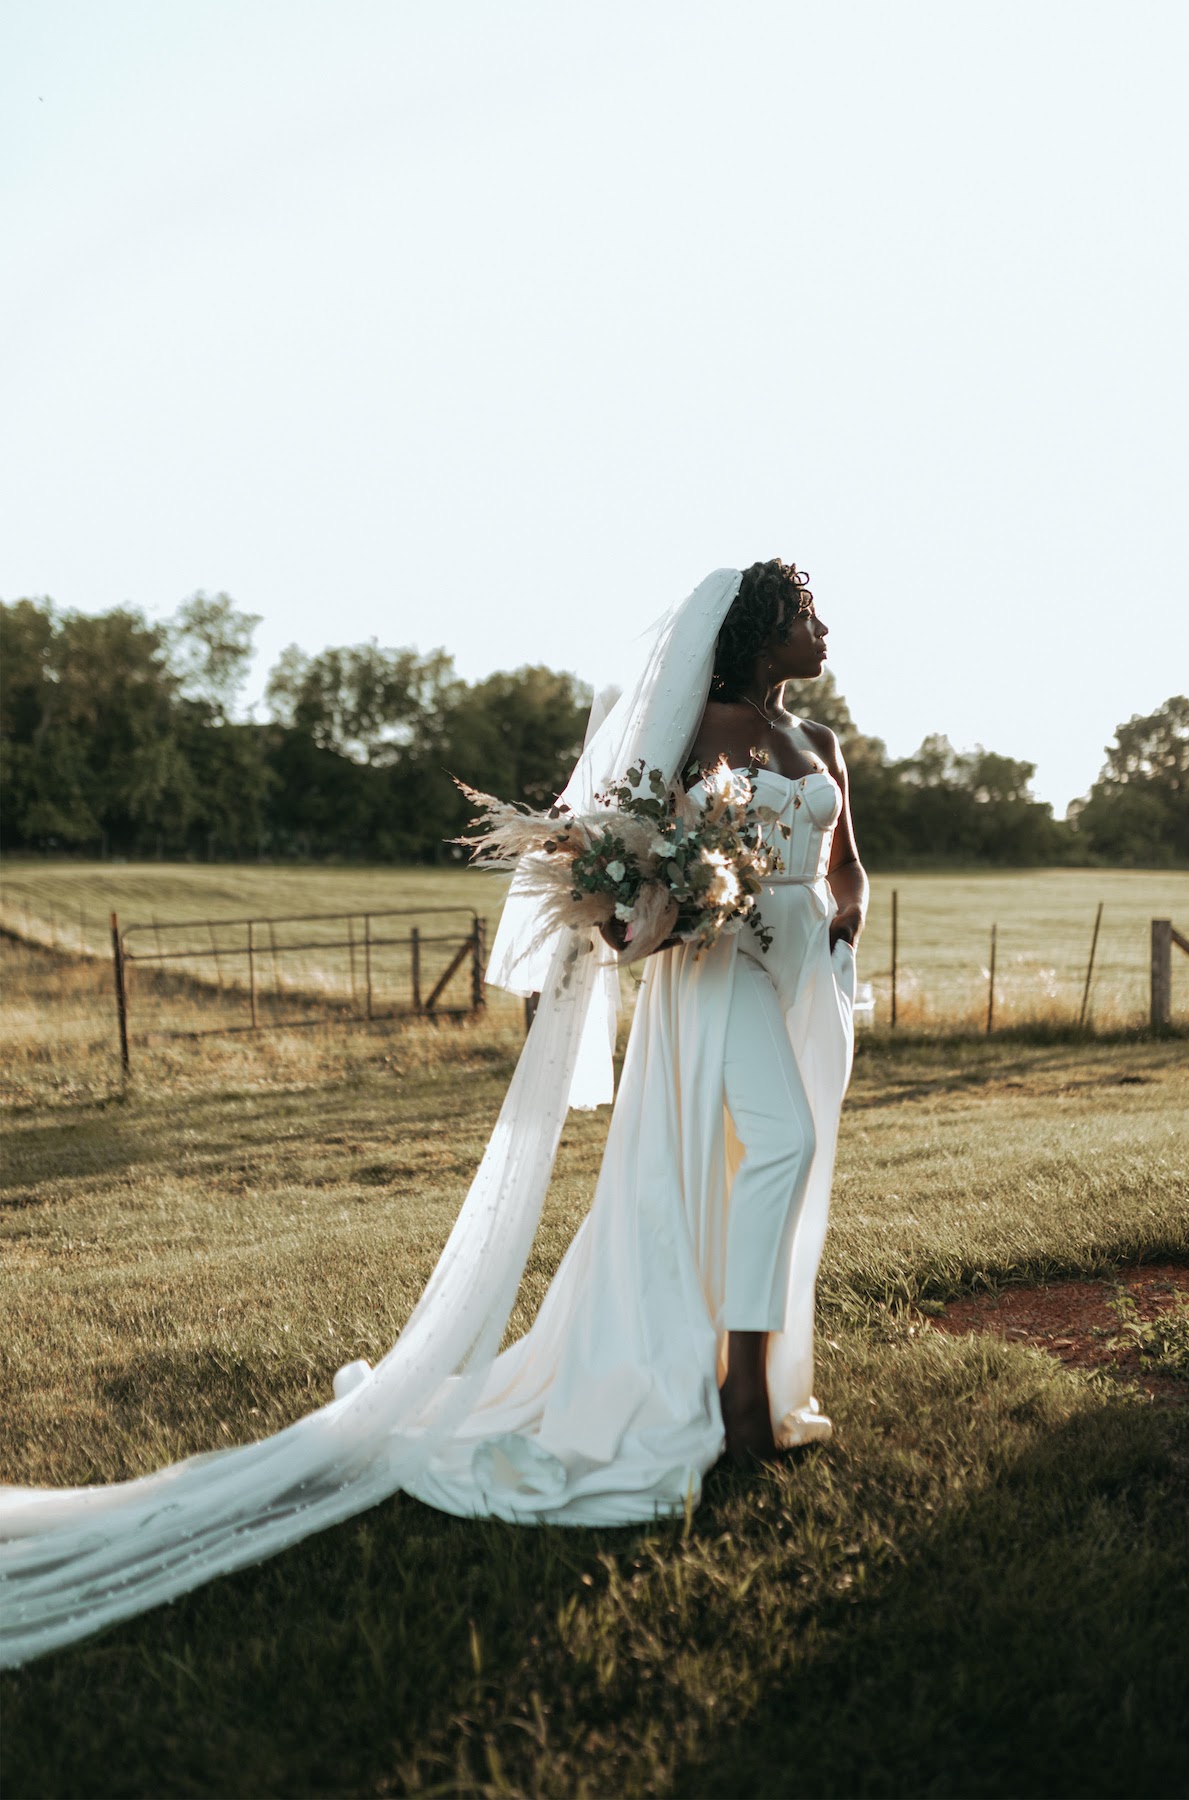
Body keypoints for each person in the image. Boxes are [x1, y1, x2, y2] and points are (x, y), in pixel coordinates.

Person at [0, 561, 865, 1667]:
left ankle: (753, 1370)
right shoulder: (694, 729)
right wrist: (663, 910)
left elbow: (849, 868)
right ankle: (743, 1398)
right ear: (757, 633)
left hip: (806, 978)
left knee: (786, 1159)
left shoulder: (824, 746)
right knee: (775, 1144)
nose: (824, 628)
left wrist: (838, 926)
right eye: (805, 615)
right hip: (721, 972)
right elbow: (611, 862)